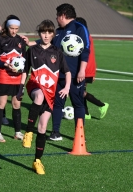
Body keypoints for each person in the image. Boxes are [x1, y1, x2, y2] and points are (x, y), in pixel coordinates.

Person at [21, 20, 71, 175]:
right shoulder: (32, 50)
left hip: (51, 93)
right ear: (39, 33)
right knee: (39, 96)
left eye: (49, 32)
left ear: (53, 34)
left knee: (42, 128)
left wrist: (67, 87)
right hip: (35, 86)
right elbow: (25, 70)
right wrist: (21, 86)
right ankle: (28, 132)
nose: (46, 35)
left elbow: (67, 72)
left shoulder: (57, 52)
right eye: (43, 32)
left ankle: (37, 161)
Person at [49, 3, 91, 141]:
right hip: (59, 74)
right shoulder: (59, 31)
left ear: (63, 15)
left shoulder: (80, 28)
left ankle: (80, 135)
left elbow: (85, 50)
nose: (56, 19)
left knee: (77, 103)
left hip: (75, 75)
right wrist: (31, 43)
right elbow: (48, 43)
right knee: (57, 103)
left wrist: (82, 71)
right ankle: (55, 132)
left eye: (57, 16)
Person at [0, 15, 27, 142]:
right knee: (1, 103)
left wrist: (21, 67)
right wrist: (4, 64)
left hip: (17, 78)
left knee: (17, 104)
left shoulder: (21, 41)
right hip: (4, 76)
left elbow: (24, 58)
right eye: (12, 28)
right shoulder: (0, 39)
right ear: (7, 26)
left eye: (16, 28)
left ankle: (17, 132)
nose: (14, 31)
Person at [75, 17, 109, 120]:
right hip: (89, 68)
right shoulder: (87, 36)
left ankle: (102, 105)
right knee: (81, 89)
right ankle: (86, 113)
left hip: (84, 68)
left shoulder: (82, 38)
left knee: (80, 92)